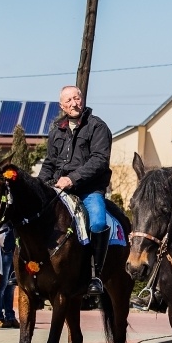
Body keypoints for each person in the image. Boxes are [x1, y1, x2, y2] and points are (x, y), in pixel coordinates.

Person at [38, 85, 113, 296]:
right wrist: (39, 186)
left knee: (98, 221)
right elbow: (49, 163)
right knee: (32, 214)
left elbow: (99, 160)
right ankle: (29, 270)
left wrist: (72, 179)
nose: (74, 103)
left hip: (89, 189)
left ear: (83, 99)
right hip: (58, 189)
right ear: (62, 105)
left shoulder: (97, 127)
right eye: (69, 100)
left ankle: (95, 276)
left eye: (77, 98)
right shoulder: (56, 130)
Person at [0, 223, 18, 328]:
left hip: (15, 250)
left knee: (11, 286)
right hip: (6, 250)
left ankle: (10, 315)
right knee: (1, 285)